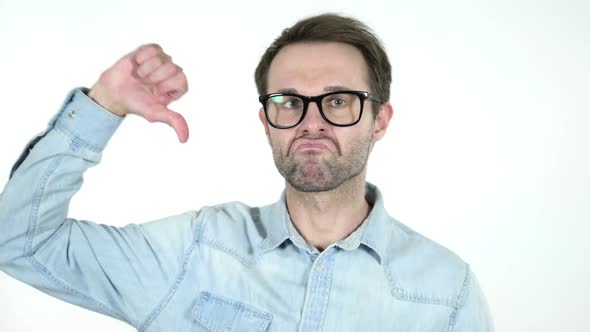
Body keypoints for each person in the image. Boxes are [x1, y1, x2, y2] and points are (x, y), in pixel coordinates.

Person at [0, 13, 493, 331]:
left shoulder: (445, 292)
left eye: (339, 101)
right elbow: (17, 242)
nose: (311, 122)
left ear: (379, 120)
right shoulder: (193, 252)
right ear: (266, 120)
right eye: (288, 102)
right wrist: (102, 104)